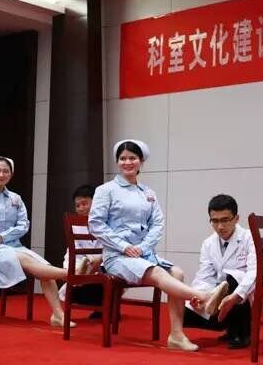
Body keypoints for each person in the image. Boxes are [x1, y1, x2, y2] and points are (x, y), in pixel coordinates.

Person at [88, 139, 228, 351]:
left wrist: (143, 247)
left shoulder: (148, 193)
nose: (127, 162)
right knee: (159, 273)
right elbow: (96, 224)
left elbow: (157, 224)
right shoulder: (105, 190)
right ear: (117, 162)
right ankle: (203, 297)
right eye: (122, 158)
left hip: (143, 254)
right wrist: (124, 246)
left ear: (141, 161)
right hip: (117, 257)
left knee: (177, 273)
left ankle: (176, 335)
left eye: (132, 158)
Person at [0, 156, 75, 327]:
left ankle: (58, 315)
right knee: (26, 259)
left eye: (6, 171)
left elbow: (24, 225)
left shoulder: (15, 198)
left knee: (46, 269)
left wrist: (2, 237)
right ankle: (70, 274)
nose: (1, 174)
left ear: (11, 175)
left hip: (14, 246)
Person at [183, 194, 263, 349]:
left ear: (236, 219)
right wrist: (199, 297)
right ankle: (230, 326)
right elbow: (204, 277)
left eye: (225, 220)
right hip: (220, 297)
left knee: (234, 279)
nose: (220, 227)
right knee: (185, 313)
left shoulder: (250, 238)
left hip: (249, 296)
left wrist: (235, 297)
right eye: (215, 221)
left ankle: (242, 332)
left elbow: (255, 273)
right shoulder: (208, 244)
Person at [58, 184, 104, 318]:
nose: (81, 208)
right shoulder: (75, 226)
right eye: (77, 205)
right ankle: (100, 306)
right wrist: (74, 270)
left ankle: (106, 307)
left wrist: (99, 263)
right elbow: (72, 253)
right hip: (85, 270)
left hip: (105, 268)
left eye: (84, 204)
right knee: (74, 287)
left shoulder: (109, 222)